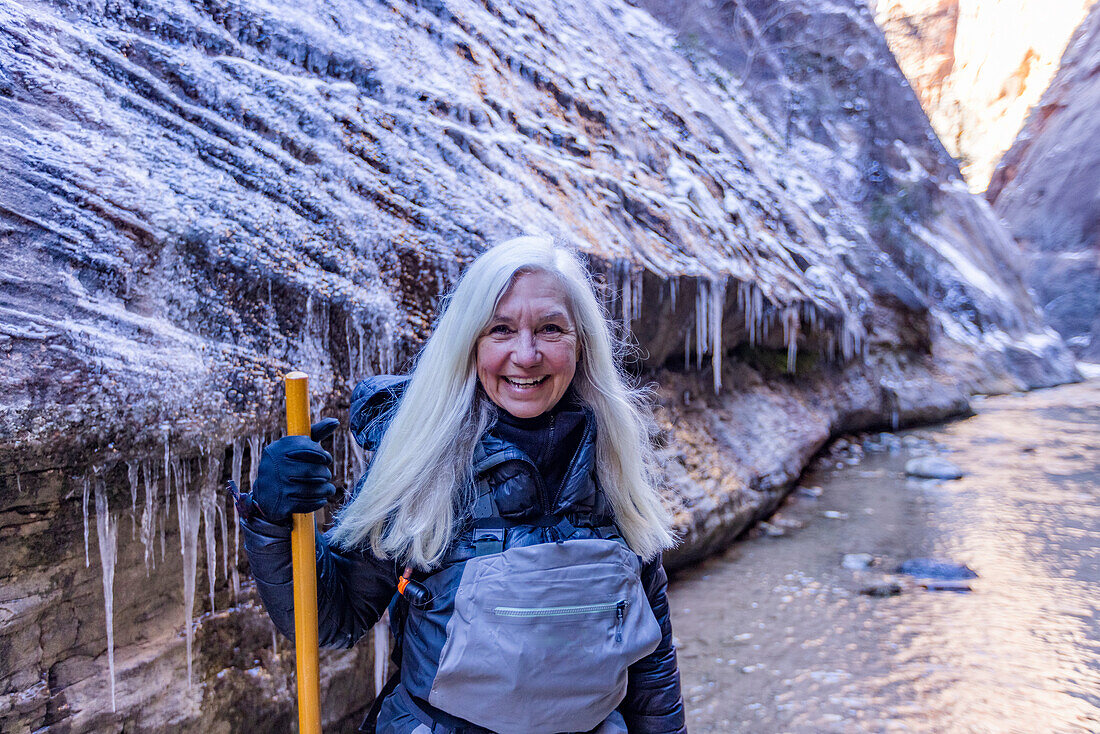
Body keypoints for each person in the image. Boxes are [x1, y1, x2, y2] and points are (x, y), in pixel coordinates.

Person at [237, 236, 686, 733]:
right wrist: (275, 521)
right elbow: (334, 616)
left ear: (581, 343)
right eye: (500, 329)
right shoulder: (421, 459)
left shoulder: (616, 464)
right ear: (470, 344)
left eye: (550, 329)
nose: (527, 354)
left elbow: (652, 666)